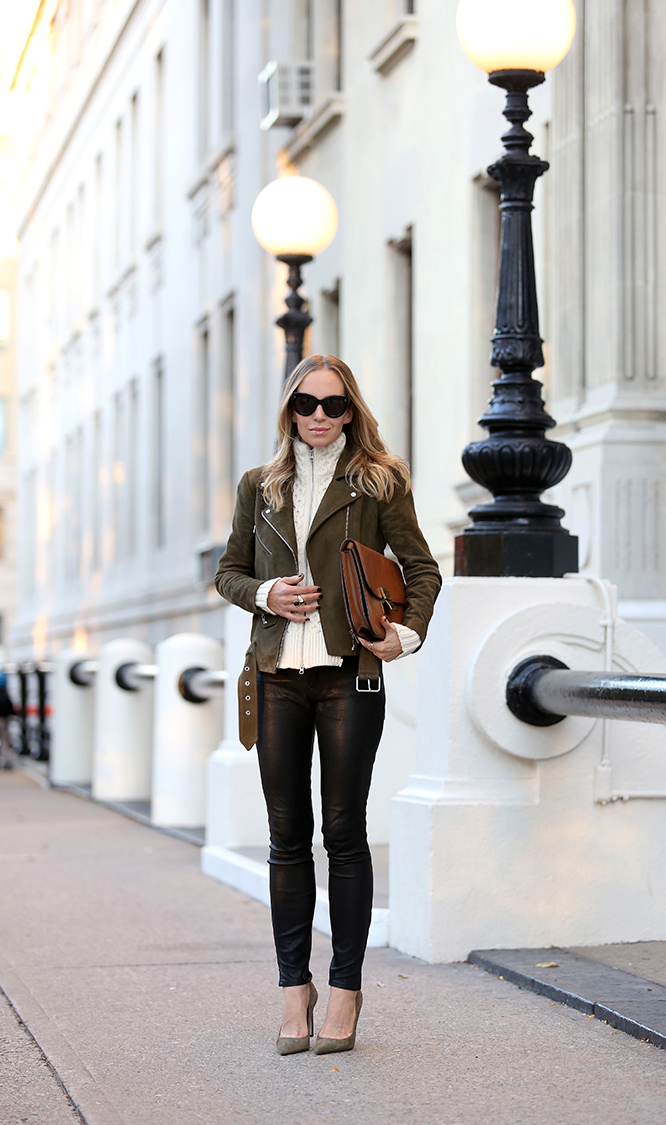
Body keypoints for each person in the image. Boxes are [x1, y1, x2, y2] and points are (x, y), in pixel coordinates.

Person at [215, 354, 442, 1056]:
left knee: (343, 831)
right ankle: (294, 990)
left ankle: (345, 990)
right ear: (290, 410)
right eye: (307, 404)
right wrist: (265, 594)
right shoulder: (261, 485)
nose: (320, 416)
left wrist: (403, 633)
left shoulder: (378, 481)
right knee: (287, 834)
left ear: (352, 411)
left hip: (350, 672)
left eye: (335, 405)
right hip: (278, 674)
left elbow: (421, 568)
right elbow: (227, 570)